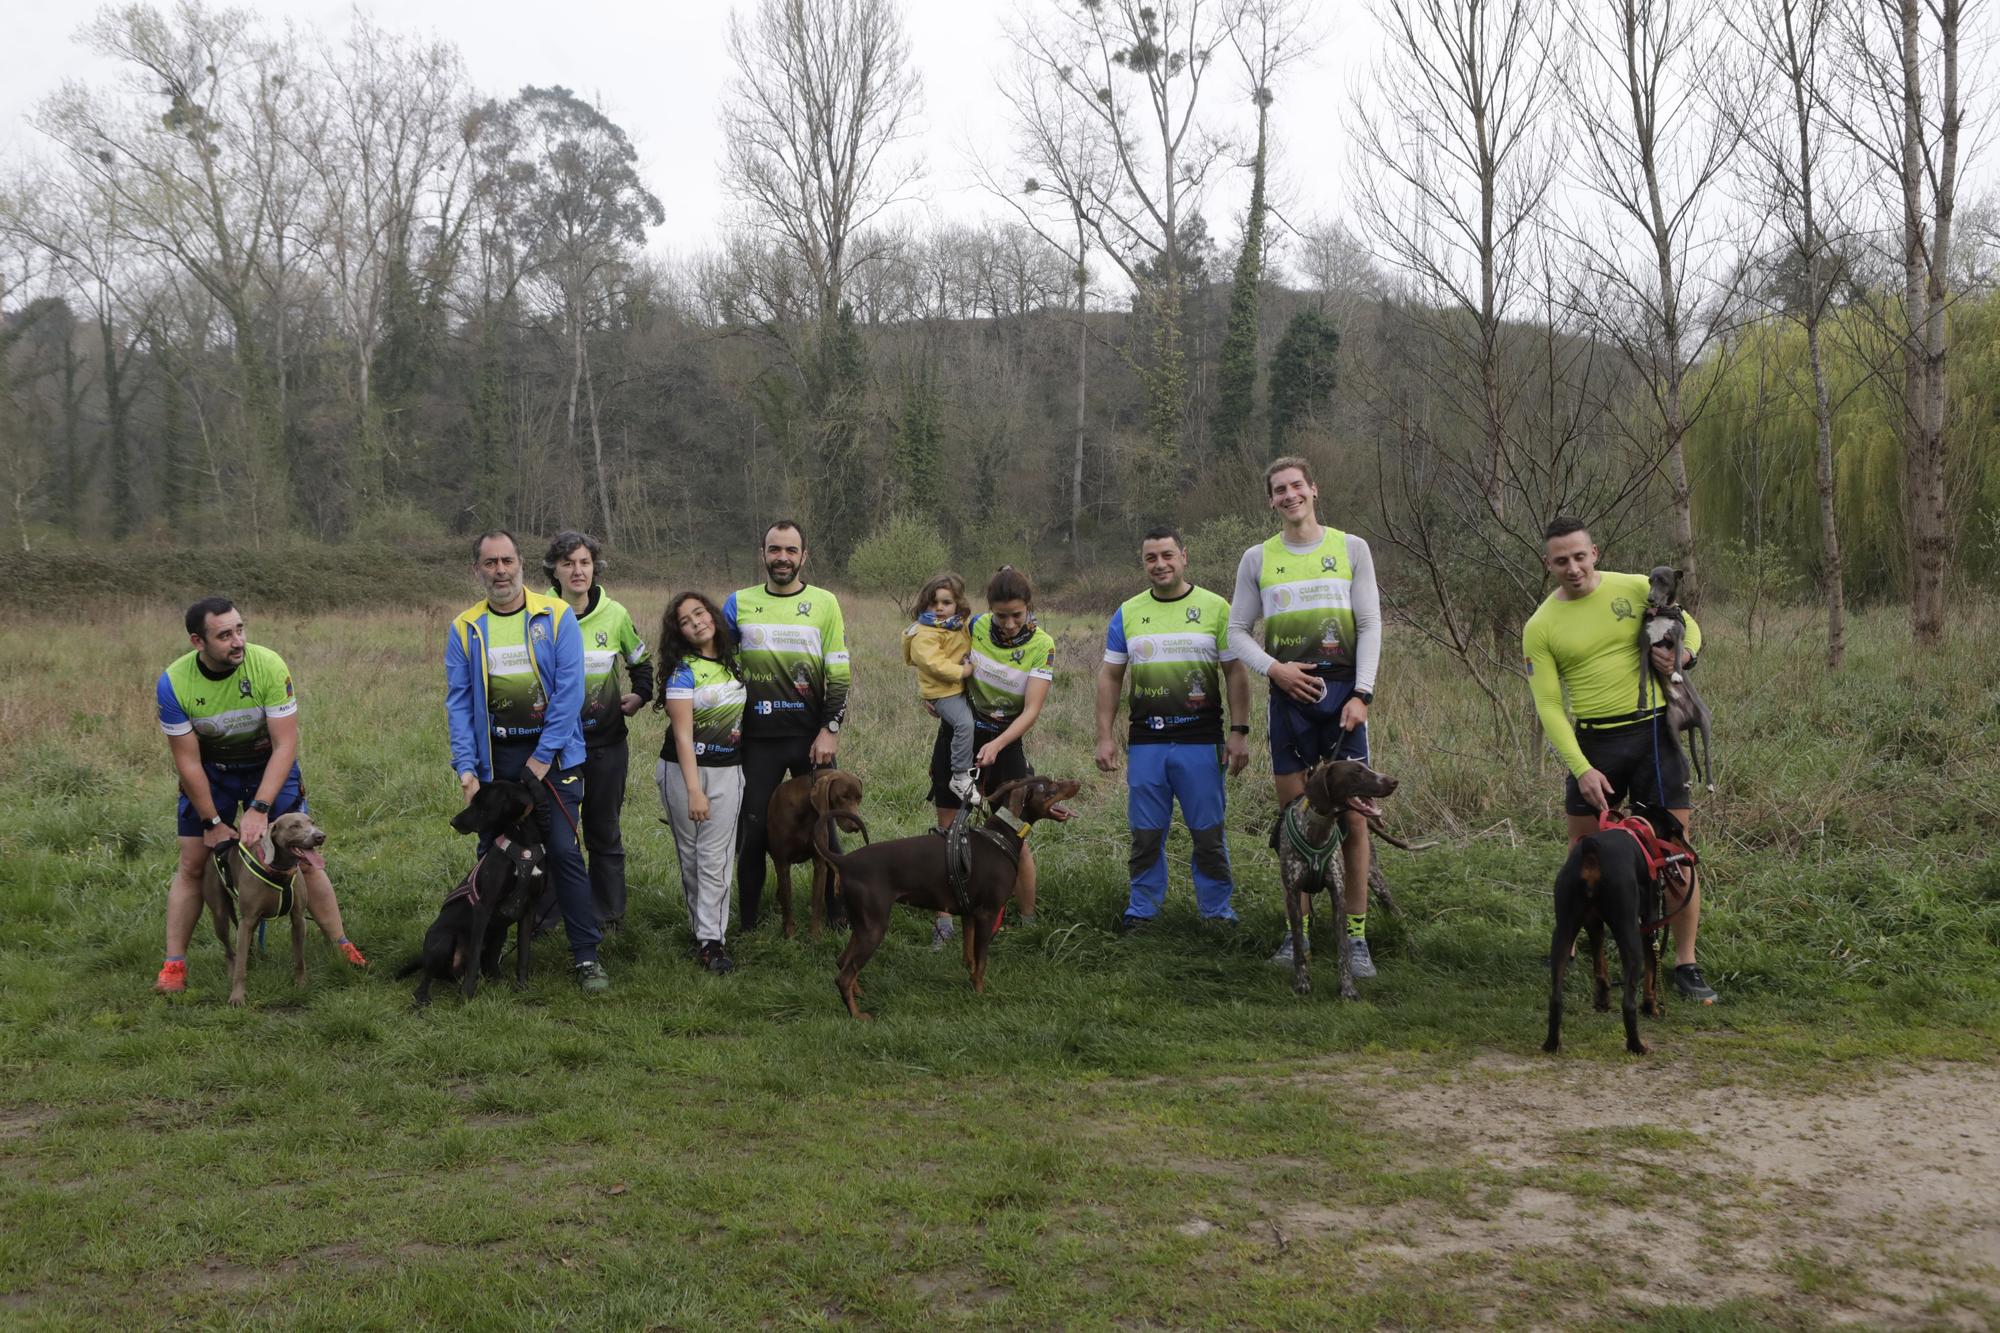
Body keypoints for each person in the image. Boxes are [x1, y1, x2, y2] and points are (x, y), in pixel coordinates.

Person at [1523, 515, 1716, 1003]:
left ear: (1596, 553)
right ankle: (1571, 948)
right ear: (1549, 565)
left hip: (1654, 733)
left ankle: (1686, 964)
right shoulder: (1540, 625)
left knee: (1675, 853)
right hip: (1593, 743)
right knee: (1582, 854)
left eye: (1579, 556)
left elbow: (1688, 623)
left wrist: (1684, 657)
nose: (1573, 567)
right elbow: (1548, 704)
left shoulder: (1635, 589)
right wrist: (1581, 768)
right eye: (1561, 560)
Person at [153, 598, 368, 994]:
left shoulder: (268, 665)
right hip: (212, 773)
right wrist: (214, 823)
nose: (238, 641)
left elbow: (285, 745)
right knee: (193, 864)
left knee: (303, 858)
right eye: (225, 635)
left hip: (268, 766)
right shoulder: (173, 683)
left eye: (240, 629)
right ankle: (174, 965)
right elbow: (188, 763)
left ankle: (340, 943)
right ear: (198, 641)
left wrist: (259, 810)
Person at [1227, 456, 1385, 976]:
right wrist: (1275, 670)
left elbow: (1368, 622)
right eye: (1279, 489)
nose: (1290, 495)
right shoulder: (1257, 558)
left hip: (1342, 694)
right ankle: (1302, 936)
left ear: (1314, 489)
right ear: (1270, 500)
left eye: (1297, 485)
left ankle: (1356, 938)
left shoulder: (1350, 547)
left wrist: (1363, 693)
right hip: (1288, 697)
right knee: (1297, 822)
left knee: (1355, 819)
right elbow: (1235, 633)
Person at [444, 530, 609, 995]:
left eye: (507, 561)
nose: (500, 570)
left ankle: (586, 956)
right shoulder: (464, 627)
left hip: (552, 759)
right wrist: (466, 768)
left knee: (560, 850)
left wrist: (541, 759)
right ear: (477, 569)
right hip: (496, 760)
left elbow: (570, 693)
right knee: (491, 856)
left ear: (521, 564)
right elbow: (458, 701)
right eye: (490, 562)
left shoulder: (555, 616)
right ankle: (487, 952)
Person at [1096, 527, 1251, 930]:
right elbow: (1110, 677)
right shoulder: (1127, 612)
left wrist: (1239, 731)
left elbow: (1235, 672)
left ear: (1184, 556)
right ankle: (1143, 911)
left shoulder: (1217, 608)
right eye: (1151, 558)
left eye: (1167, 555)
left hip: (1201, 741)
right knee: (1146, 835)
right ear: (1143, 563)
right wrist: (1105, 737)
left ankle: (1217, 912)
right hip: (1147, 742)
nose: (1160, 564)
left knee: (1208, 834)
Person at [724, 520, 850, 933]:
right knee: (754, 828)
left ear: (804, 556)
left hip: (811, 738)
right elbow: (720, 667)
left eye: (791, 551)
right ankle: (747, 922)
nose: (782, 558)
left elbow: (838, 672)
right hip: (756, 739)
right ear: (763, 554)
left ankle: (837, 914)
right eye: (775, 550)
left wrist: (829, 729)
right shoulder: (737, 602)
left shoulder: (825, 603)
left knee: (826, 826)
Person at [925, 565, 1055, 947]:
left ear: (1029, 607)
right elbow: (937, 656)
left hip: (1008, 740)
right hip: (962, 733)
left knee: (1017, 836)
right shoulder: (975, 625)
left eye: (1018, 614)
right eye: (1002, 615)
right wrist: (934, 697)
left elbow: (1032, 709)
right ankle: (944, 926)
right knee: (948, 833)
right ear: (989, 610)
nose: (1010, 623)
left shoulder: (1042, 644)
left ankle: (1027, 925)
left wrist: (998, 745)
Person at [544, 531, 653, 932]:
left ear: (595, 568)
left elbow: (641, 664)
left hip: (606, 743)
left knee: (604, 830)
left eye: (585, 562)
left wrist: (640, 695)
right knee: (558, 836)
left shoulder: (616, 614)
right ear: (553, 570)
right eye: (568, 563)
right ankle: (552, 913)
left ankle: (608, 913)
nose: (577, 570)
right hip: (554, 749)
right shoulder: (538, 615)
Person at [655, 591, 747, 974]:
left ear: (712, 613)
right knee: (692, 856)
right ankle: (703, 933)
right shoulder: (683, 671)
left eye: (700, 613)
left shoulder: (734, 662)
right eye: (686, 621)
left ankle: (712, 940)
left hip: (728, 771)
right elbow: (682, 736)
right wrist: (694, 790)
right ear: (679, 632)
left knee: (716, 857)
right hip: (683, 771)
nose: (697, 622)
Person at [903, 572, 979, 806]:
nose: (939, 608)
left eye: (946, 602)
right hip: (942, 693)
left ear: (957, 604)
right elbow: (933, 664)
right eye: (933, 602)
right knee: (964, 723)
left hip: (956, 689)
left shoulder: (956, 626)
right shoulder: (925, 632)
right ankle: (959, 775)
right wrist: (963, 672)